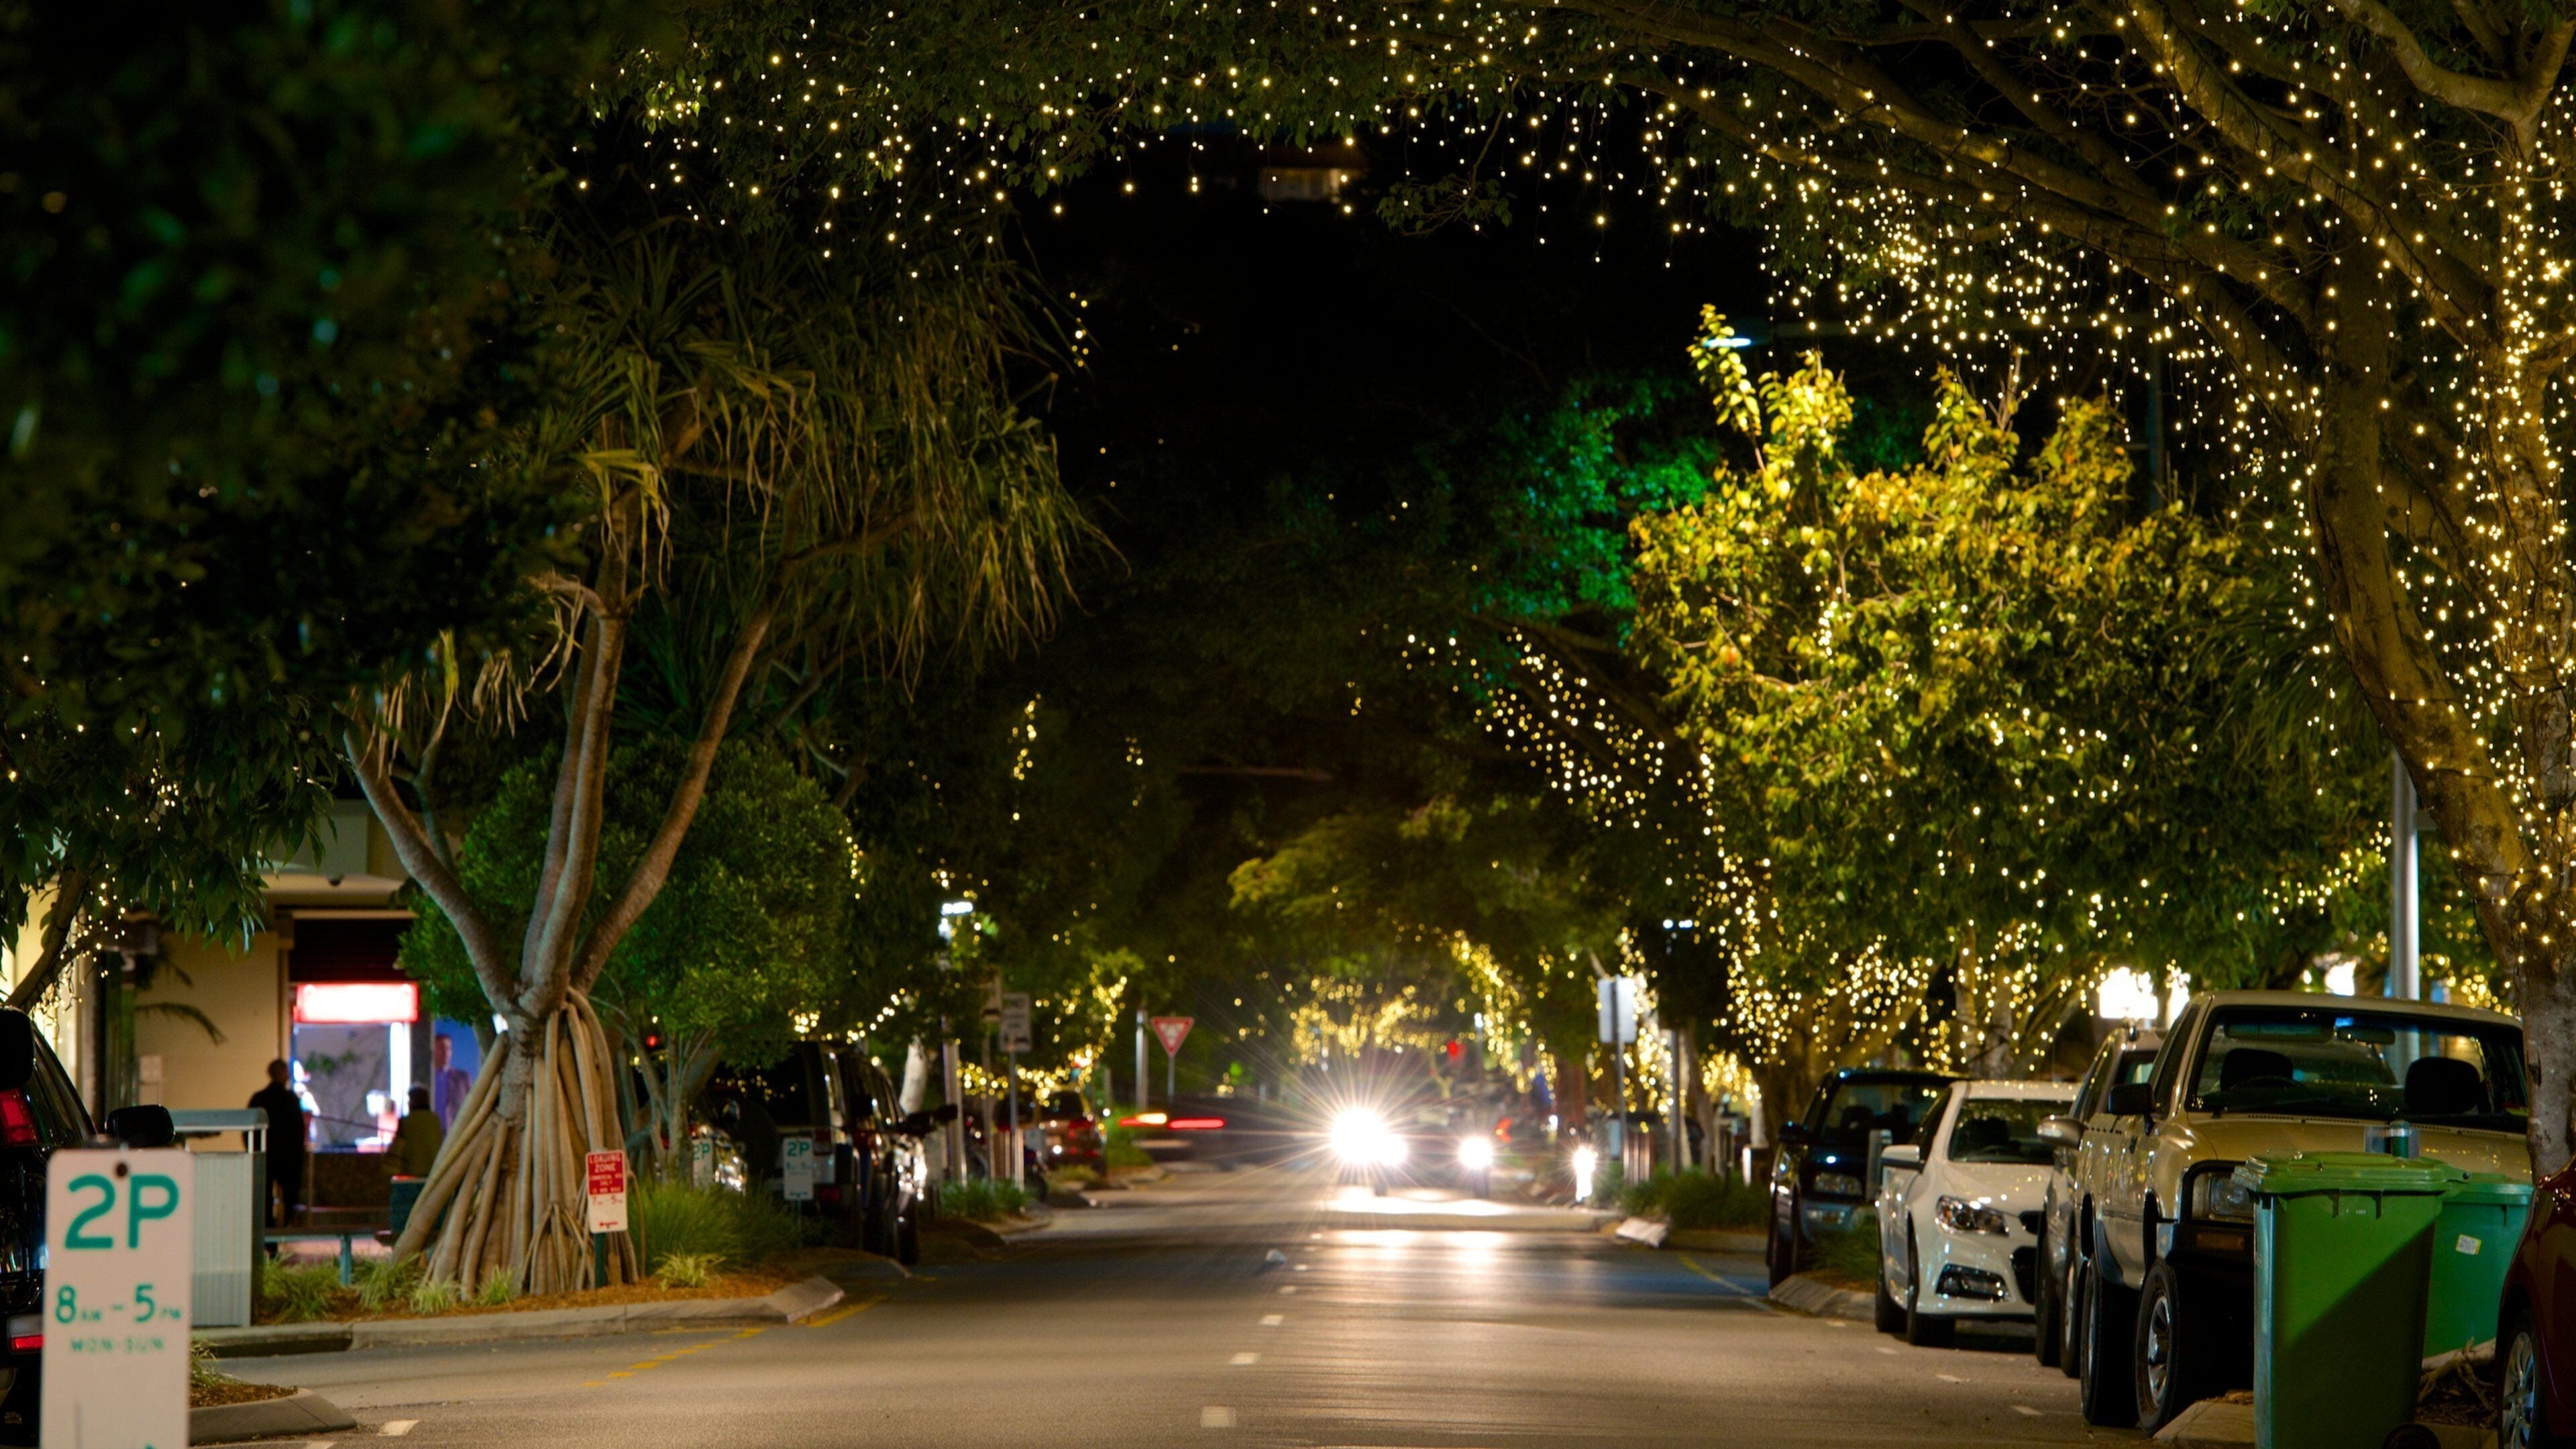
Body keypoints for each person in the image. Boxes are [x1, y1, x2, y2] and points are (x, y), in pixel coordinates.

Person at [249, 1059, 307, 1227]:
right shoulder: (290, 1099)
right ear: (283, 1074)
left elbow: (249, 1128)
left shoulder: (259, 1098)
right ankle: (287, 1226)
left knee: (265, 1195)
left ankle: (267, 1229)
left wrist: (254, 1149)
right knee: (289, 1194)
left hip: (265, 1154)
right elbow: (298, 1130)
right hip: (288, 1156)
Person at [387, 1085, 443, 1177]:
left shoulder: (406, 1122)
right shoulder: (435, 1120)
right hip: (434, 1170)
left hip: (411, 1173)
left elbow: (397, 1148)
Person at [429, 1032, 473, 1130]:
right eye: (441, 1048)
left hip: (455, 1132)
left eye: (449, 1048)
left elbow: (471, 1104)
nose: (446, 1052)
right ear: (434, 1050)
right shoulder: (427, 1078)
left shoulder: (462, 1078)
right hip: (432, 1132)